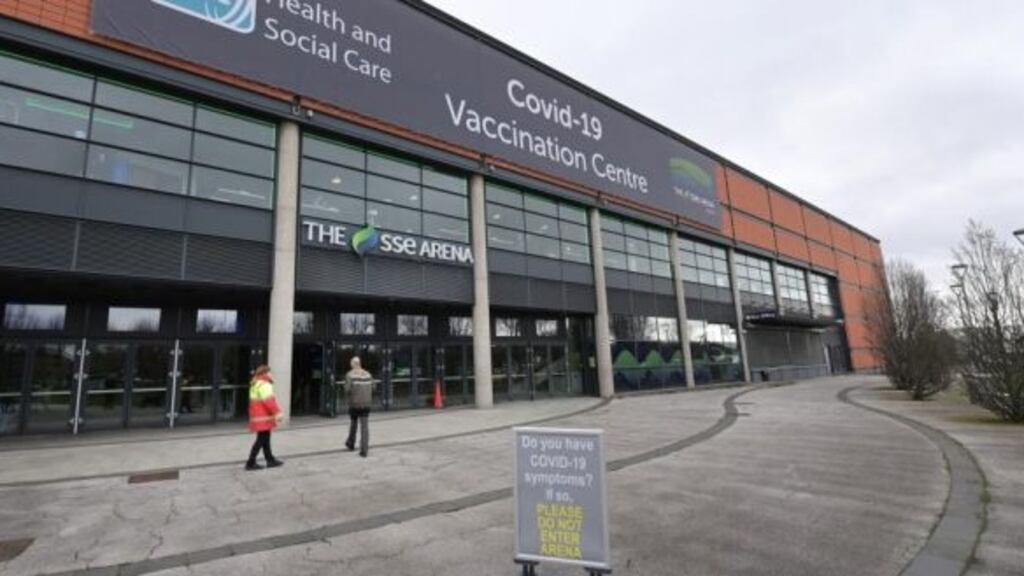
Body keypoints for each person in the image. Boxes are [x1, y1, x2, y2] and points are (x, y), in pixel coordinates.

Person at [246, 365, 284, 470]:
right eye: (269, 372)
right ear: (264, 374)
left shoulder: (255, 384)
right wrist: (277, 412)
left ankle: (270, 459)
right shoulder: (265, 384)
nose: (271, 374)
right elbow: (269, 401)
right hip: (264, 417)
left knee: (265, 439)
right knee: (261, 439)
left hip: (258, 417)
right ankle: (250, 462)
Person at [344, 356, 374, 457]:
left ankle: (351, 443)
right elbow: (373, 387)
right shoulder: (368, 374)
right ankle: (364, 450)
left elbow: (347, 390)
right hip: (366, 404)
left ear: (353, 364)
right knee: (364, 427)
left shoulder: (350, 375)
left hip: (354, 404)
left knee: (354, 424)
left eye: (351, 364)